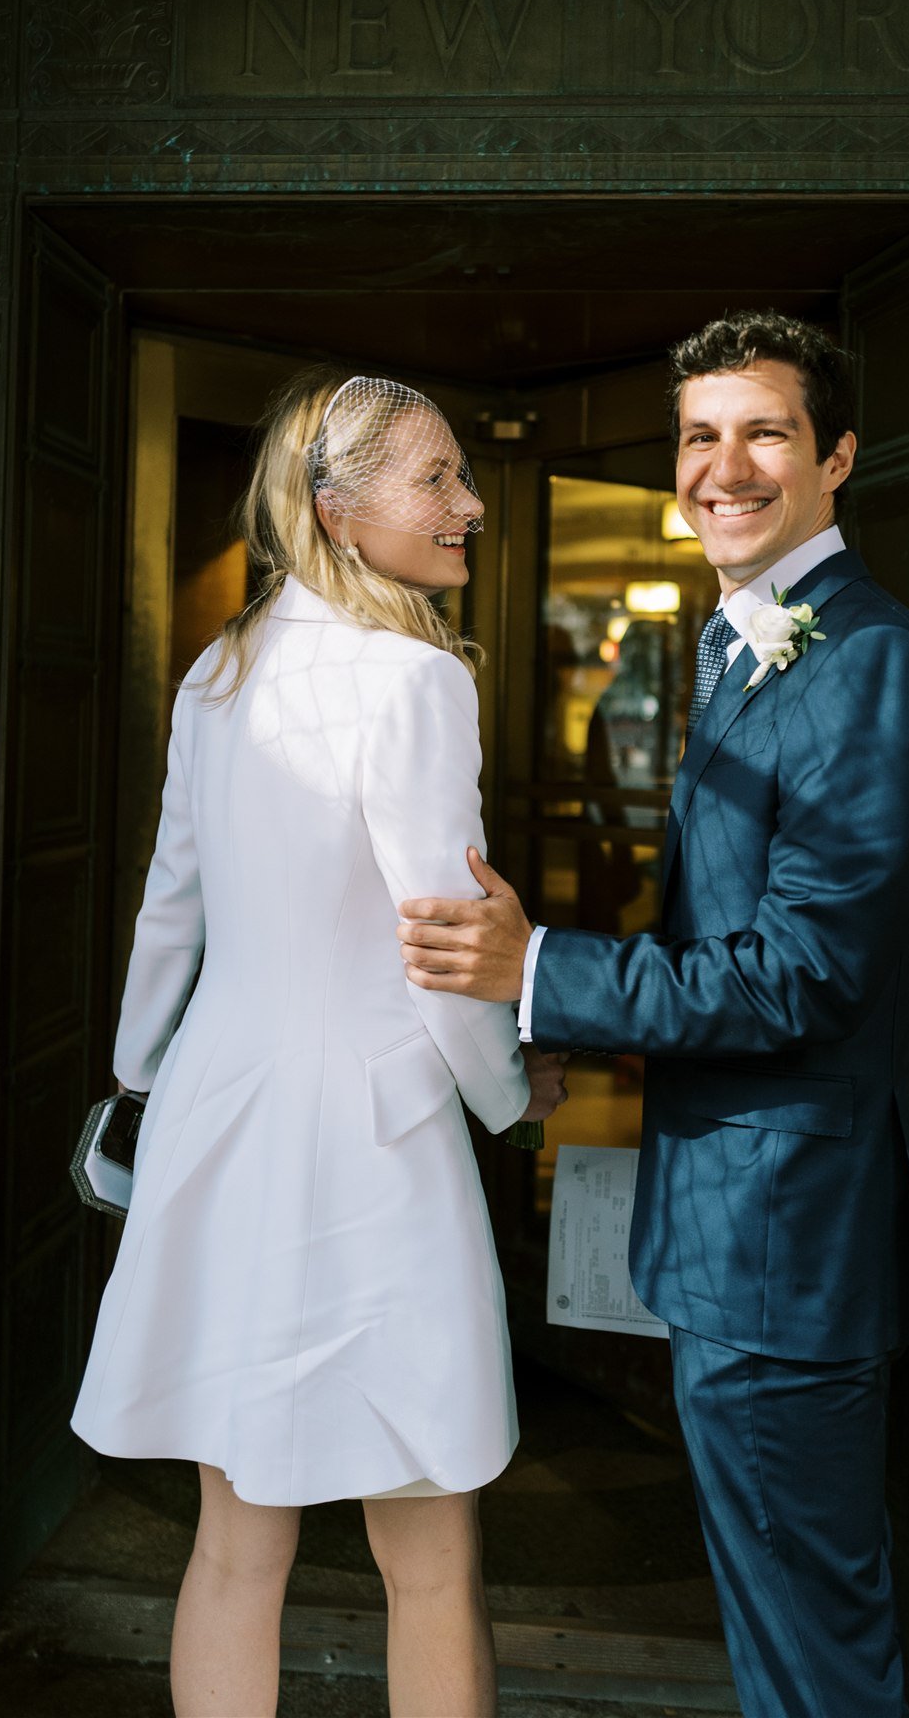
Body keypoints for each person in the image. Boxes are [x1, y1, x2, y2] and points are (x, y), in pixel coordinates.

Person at [395, 311, 909, 1718]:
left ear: (837, 457)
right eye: (700, 437)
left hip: (789, 1238)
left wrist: (537, 969)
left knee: (814, 1653)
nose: (726, 467)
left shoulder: (870, 662)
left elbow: (800, 973)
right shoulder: (741, 643)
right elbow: (720, 932)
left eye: (765, 432)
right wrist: (552, 1030)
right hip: (738, 1228)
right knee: (784, 1632)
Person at [72, 371, 567, 1718]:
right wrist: (509, 1095)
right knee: (430, 1557)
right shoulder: (414, 679)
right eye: (436, 477)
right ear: (337, 507)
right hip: (372, 1148)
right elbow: (441, 941)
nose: (470, 505)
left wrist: (138, 1079)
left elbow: (169, 907)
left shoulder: (217, 671)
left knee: (234, 1548)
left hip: (221, 1123)